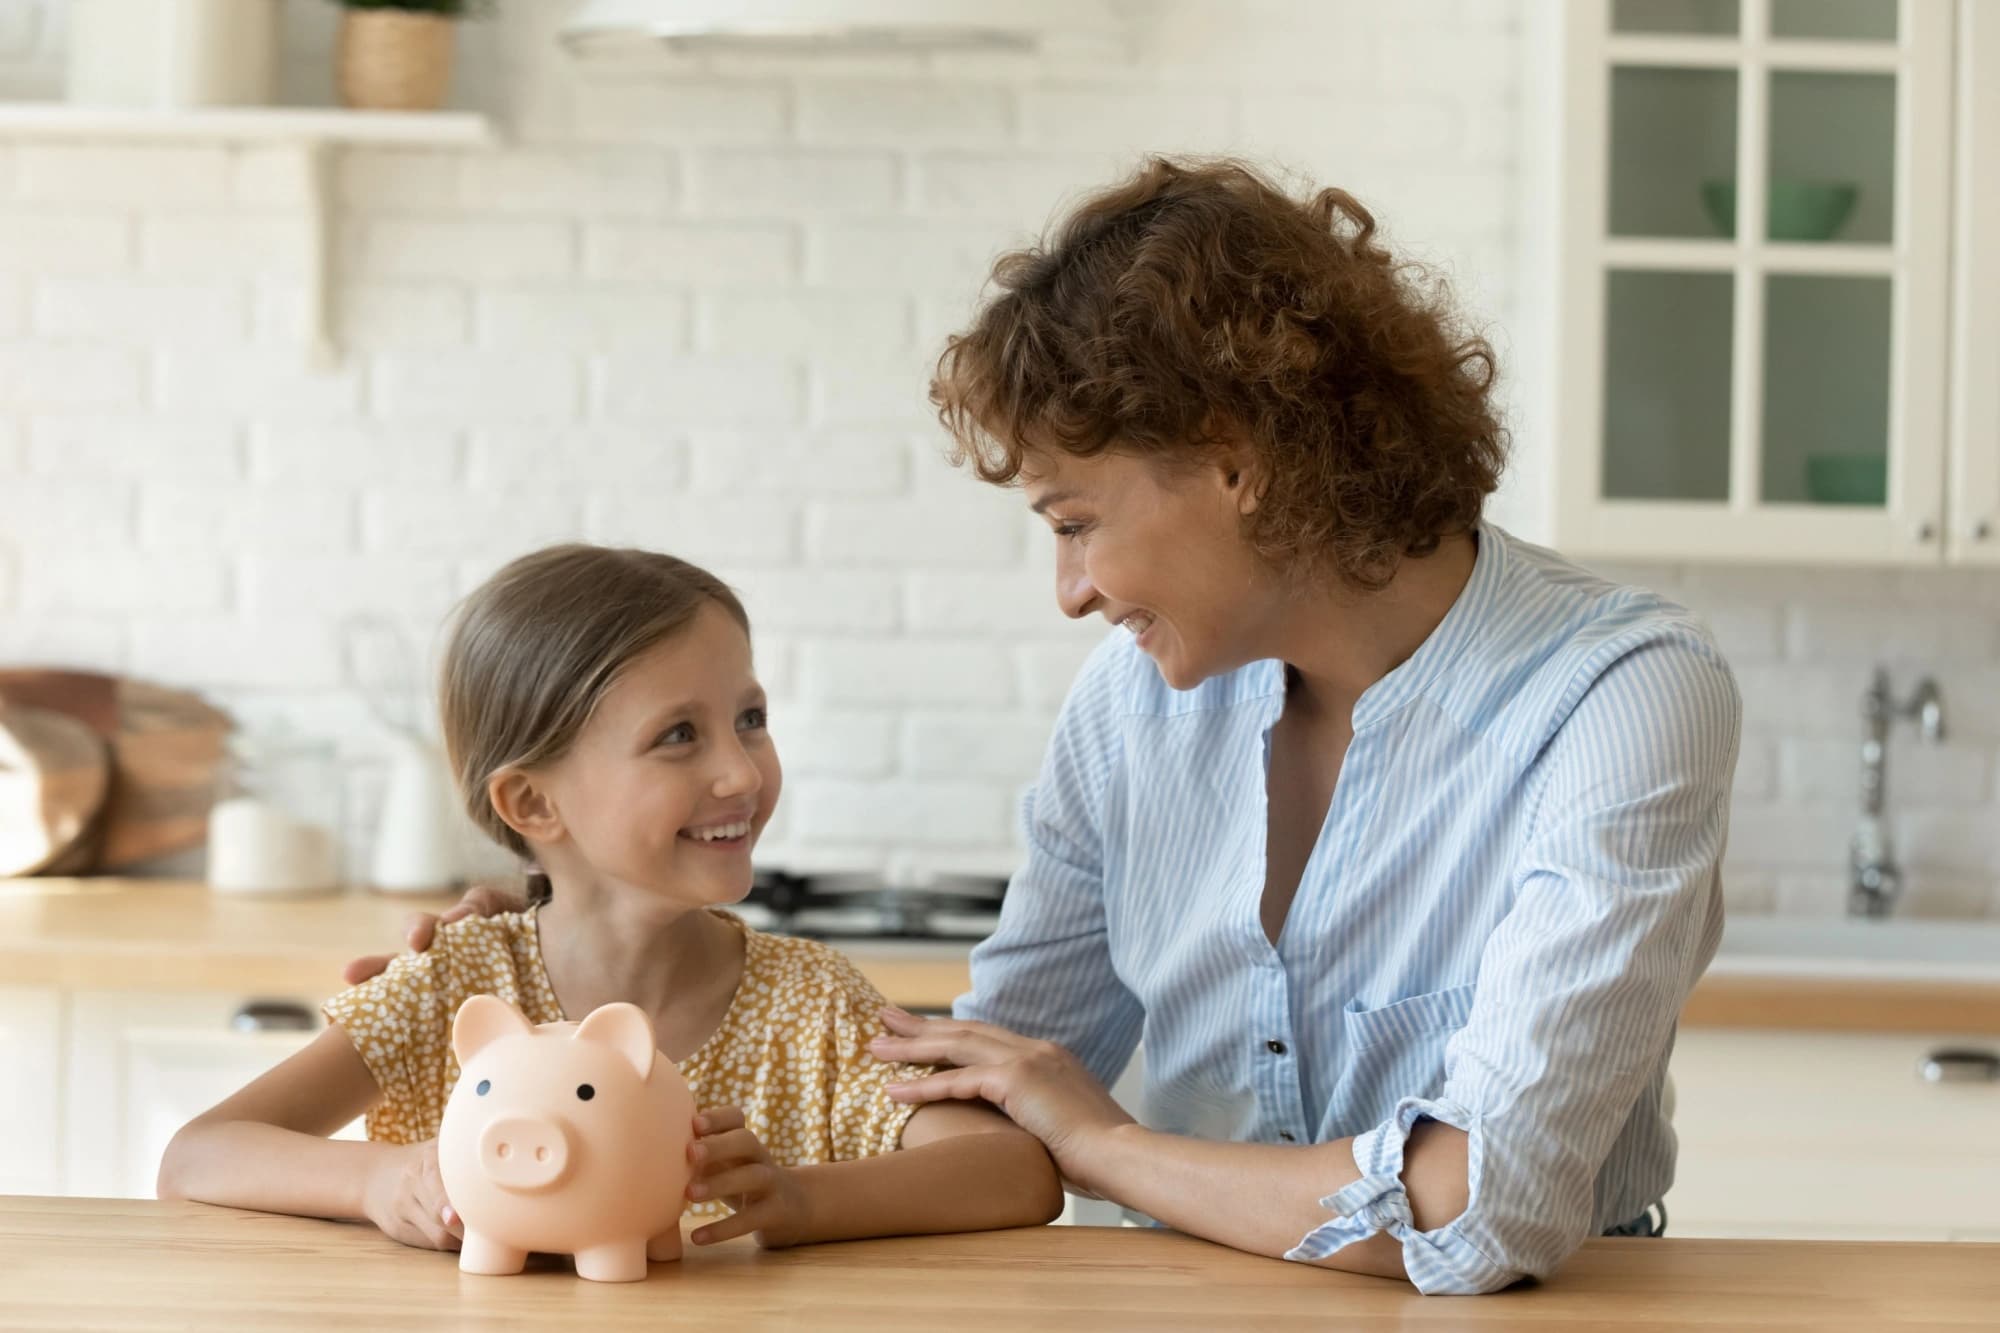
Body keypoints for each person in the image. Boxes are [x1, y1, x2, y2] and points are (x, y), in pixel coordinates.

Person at [349, 158, 1739, 1295]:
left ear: (1235, 462)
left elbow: (1474, 1208)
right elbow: (989, 1079)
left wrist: (1108, 1143)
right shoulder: (1136, 707)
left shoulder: (1620, 697)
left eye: (1077, 521)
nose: (1070, 589)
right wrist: (567, 957)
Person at [161, 544, 1062, 1256]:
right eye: (679, 735)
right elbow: (198, 1155)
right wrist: (379, 1181)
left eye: (750, 718)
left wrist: (799, 1199)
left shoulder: (806, 1001)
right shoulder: (457, 984)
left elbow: (1016, 1171)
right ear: (534, 803)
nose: (740, 770)